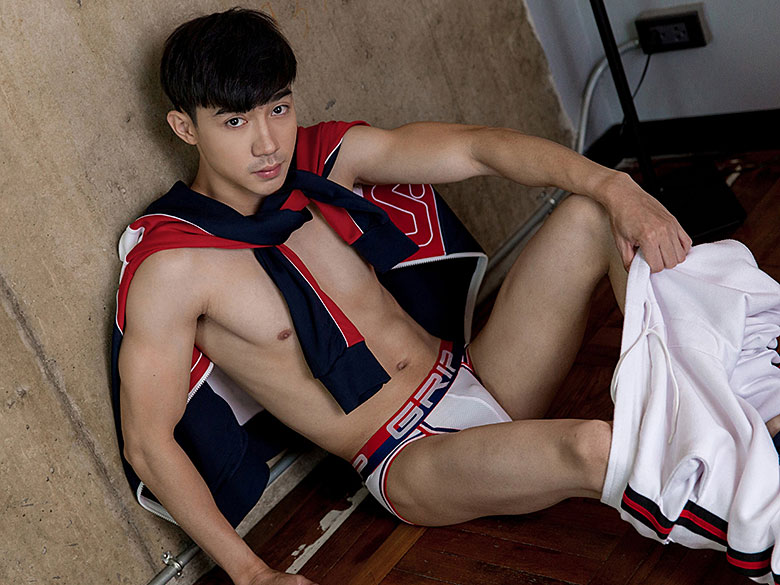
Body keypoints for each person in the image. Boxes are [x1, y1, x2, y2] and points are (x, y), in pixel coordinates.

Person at [113, 8, 699, 585]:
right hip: (407, 454)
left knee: (592, 211)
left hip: (474, 373)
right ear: (185, 128)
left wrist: (615, 185)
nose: (267, 143)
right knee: (593, 446)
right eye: (235, 122)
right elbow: (147, 442)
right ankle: (744, 511)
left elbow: (475, 148)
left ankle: (707, 400)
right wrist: (253, 575)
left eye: (279, 108)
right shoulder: (173, 265)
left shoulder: (322, 162)